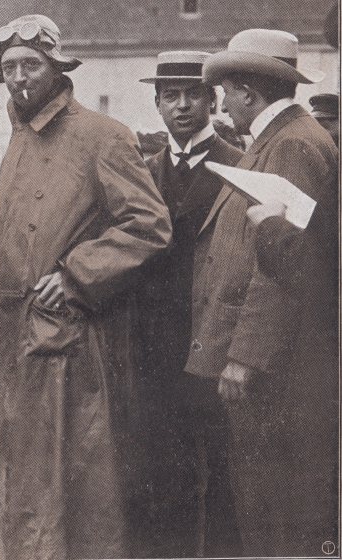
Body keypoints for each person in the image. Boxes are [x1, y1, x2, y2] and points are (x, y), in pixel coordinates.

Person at [0, 14, 172, 560]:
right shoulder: (19, 135)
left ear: (57, 70)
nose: (21, 77)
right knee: (10, 469)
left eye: (32, 64)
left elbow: (148, 224)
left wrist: (76, 274)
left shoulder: (102, 136)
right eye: (11, 68)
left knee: (57, 477)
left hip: (61, 339)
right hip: (5, 338)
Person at [187, 28, 338, 556]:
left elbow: (285, 268)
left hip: (277, 367)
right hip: (276, 362)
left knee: (275, 503)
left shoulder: (292, 144)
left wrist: (245, 357)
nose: (221, 103)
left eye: (224, 91)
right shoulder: (280, 140)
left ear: (248, 92)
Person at [133, 51, 244, 557]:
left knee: (218, 467)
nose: (181, 107)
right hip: (152, 345)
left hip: (213, 340)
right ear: (156, 105)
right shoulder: (142, 170)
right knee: (158, 464)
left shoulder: (240, 167)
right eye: (170, 97)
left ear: (212, 99)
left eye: (192, 95)